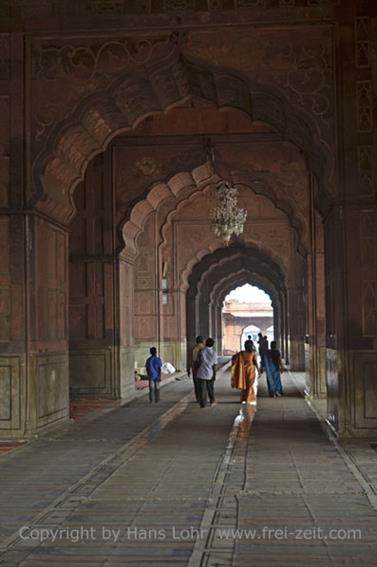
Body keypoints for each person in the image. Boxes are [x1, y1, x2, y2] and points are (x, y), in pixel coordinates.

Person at [231, 340, 260, 405]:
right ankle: (248, 398)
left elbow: (234, 358)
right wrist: (258, 370)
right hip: (251, 370)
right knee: (250, 385)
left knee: (244, 385)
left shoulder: (241, 353)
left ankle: (244, 398)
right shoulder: (252, 353)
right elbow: (255, 362)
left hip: (243, 371)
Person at [196, 338, 217, 407]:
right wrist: (214, 374)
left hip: (201, 372)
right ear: (213, 345)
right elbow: (214, 365)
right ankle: (212, 401)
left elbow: (198, 362)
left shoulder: (201, 352)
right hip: (210, 373)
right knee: (210, 388)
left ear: (205, 343)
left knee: (202, 389)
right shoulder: (214, 353)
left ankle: (203, 403)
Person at [189, 336, 205, 402]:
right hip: (204, 369)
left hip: (195, 368)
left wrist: (188, 369)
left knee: (196, 384)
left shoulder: (193, 348)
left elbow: (190, 360)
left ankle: (198, 398)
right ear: (202, 341)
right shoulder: (205, 348)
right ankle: (203, 398)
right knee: (203, 384)